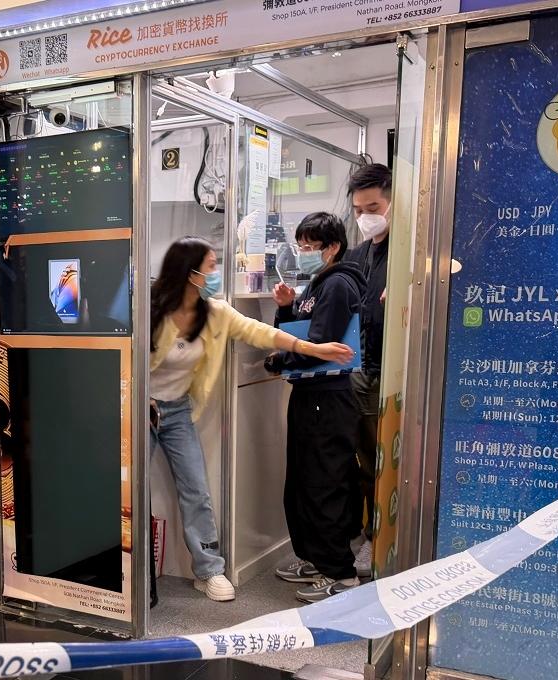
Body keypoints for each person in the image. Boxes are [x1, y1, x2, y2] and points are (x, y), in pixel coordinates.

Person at [150, 236, 353, 602]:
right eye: (211, 266)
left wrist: (314, 348)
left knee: (196, 490)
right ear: (190, 273)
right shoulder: (149, 309)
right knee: (126, 489)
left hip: (177, 411)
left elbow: (262, 333)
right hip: (138, 408)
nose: (216, 274)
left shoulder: (215, 312)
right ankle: (123, 570)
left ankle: (209, 570)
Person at [265, 212, 366, 603]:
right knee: (304, 482)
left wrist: (279, 361)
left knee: (325, 482)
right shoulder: (318, 283)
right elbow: (301, 334)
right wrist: (287, 308)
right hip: (310, 394)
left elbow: (319, 346)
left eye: (311, 246)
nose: (304, 252)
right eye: (301, 245)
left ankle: (339, 572)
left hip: (328, 395)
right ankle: (316, 558)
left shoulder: (338, 284)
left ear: (333, 247)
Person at [345, 163, 392, 576]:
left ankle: (383, 538)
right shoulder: (357, 256)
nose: (365, 217)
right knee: (361, 463)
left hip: (393, 376)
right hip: (358, 372)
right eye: (358, 210)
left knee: (387, 466)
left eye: (373, 208)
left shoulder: (411, 253)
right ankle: (366, 536)